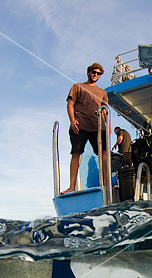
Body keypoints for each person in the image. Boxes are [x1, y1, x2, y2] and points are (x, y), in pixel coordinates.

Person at [61, 63, 109, 195]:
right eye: (93, 72)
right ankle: (72, 186)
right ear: (88, 72)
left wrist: (107, 126)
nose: (95, 75)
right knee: (76, 153)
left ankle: (106, 183)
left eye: (98, 73)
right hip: (80, 125)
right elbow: (70, 104)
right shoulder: (77, 87)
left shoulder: (103, 92)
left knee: (104, 154)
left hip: (97, 127)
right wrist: (72, 120)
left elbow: (104, 111)